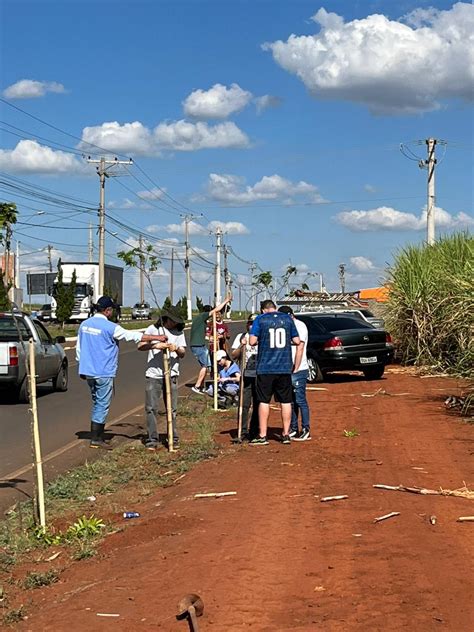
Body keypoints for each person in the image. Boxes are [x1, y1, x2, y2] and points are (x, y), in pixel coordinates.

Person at [76, 296, 167, 449]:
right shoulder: (110, 327)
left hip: (88, 371)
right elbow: (131, 336)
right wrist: (156, 337)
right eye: (112, 309)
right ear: (108, 310)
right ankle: (96, 438)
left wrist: (82, 367)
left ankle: (96, 434)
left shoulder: (84, 325)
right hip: (103, 371)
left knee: (97, 402)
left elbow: (79, 348)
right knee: (102, 404)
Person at [248, 300, 300, 445]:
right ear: (275, 308)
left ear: (263, 310)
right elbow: (296, 340)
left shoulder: (260, 319)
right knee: (285, 400)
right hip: (284, 366)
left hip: (265, 366)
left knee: (264, 400)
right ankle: (285, 434)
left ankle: (263, 435)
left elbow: (252, 341)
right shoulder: (287, 319)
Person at [138, 305, 186, 450]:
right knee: (151, 407)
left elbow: (183, 353)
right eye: (172, 320)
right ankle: (152, 439)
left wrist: (176, 348)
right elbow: (140, 345)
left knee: (172, 409)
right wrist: (156, 345)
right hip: (154, 374)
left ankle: (173, 437)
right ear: (166, 318)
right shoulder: (153, 330)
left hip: (171, 374)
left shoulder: (179, 332)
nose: (174, 323)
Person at [278, 305, 311, 441]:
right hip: (286, 369)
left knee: (300, 400)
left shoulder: (300, 326)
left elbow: (300, 348)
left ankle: (305, 428)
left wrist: (296, 368)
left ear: (291, 315)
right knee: (289, 400)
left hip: (299, 369)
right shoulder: (283, 327)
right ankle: (293, 427)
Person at [190, 295, 232, 394]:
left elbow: (204, 335)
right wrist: (226, 301)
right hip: (198, 346)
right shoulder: (202, 317)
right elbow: (216, 309)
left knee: (208, 365)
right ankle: (197, 386)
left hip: (199, 345)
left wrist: (212, 338)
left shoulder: (200, 321)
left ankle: (201, 386)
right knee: (206, 365)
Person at [231, 313, 260, 440]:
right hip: (246, 374)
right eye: (250, 323)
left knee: (258, 404)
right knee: (244, 404)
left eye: (254, 323)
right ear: (247, 324)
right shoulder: (241, 337)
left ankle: (254, 431)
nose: (252, 326)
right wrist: (241, 346)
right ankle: (242, 431)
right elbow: (234, 355)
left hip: (260, 375)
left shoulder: (263, 337)